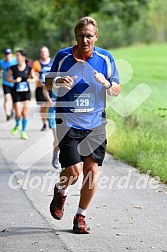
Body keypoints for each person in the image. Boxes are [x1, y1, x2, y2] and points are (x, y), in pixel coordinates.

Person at [45, 16, 120, 234]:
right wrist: (58, 81)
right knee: (74, 172)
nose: (85, 40)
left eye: (89, 36)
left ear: (96, 37)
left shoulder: (105, 58)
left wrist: (107, 84)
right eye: (81, 36)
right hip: (68, 121)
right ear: (75, 37)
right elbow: (48, 81)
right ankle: (61, 190)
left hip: (95, 123)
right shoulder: (63, 56)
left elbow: (116, 89)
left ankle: (80, 216)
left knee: (91, 171)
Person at [6, 50, 36, 140]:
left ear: (23, 57)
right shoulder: (13, 68)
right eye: (16, 56)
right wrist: (15, 81)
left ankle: (23, 131)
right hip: (16, 93)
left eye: (18, 55)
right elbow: (7, 78)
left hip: (26, 93)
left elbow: (34, 78)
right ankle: (17, 124)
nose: (17, 57)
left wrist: (30, 80)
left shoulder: (29, 68)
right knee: (18, 113)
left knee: (24, 113)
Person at [32, 46, 54, 131]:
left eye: (45, 52)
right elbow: (33, 73)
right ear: (40, 54)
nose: (44, 54)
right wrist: (35, 76)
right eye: (42, 52)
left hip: (51, 87)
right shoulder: (36, 63)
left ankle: (49, 118)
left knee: (49, 105)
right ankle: (44, 123)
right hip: (40, 87)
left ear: (48, 53)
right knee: (42, 107)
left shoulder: (52, 62)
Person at [42, 86, 60, 169]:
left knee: (67, 138)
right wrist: (49, 100)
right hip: (54, 111)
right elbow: (45, 89)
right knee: (58, 138)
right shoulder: (53, 76)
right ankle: (55, 155)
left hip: (67, 113)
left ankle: (65, 160)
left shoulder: (72, 77)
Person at [0, 48, 17, 120]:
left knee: (14, 99)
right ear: (4, 55)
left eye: (9, 54)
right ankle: (7, 114)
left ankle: (12, 111)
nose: (7, 56)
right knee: (7, 98)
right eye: (6, 54)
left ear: (11, 54)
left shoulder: (15, 61)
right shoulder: (1, 62)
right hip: (5, 82)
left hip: (14, 82)